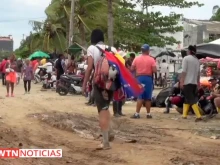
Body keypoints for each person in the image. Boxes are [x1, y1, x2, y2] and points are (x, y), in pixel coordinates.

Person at [82, 29, 116, 150]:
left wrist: (85, 83)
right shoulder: (112, 49)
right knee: (106, 107)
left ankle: (105, 142)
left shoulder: (92, 48)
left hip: (99, 83)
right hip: (111, 84)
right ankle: (109, 132)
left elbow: (90, 67)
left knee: (102, 110)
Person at [130, 44, 157, 119]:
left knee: (140, 97)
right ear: (148, 51)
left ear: (141, 50)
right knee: (148, 98)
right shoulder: (151, 59)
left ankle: (137, 114)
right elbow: (154, 70)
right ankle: (148, 114)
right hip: (148, 79)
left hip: (139, 79)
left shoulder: (136, 58)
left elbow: (132, 69)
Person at [180, 45, 202, 122]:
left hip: (187, 82)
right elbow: (198, 73)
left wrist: (181, 81)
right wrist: (198, 83)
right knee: (187, 99)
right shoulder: (197, 60)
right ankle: (184, 115)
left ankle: (198, 116)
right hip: (194, 82)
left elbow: (184, 71)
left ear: (189, 51)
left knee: (191, 100)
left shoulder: (186, 59)